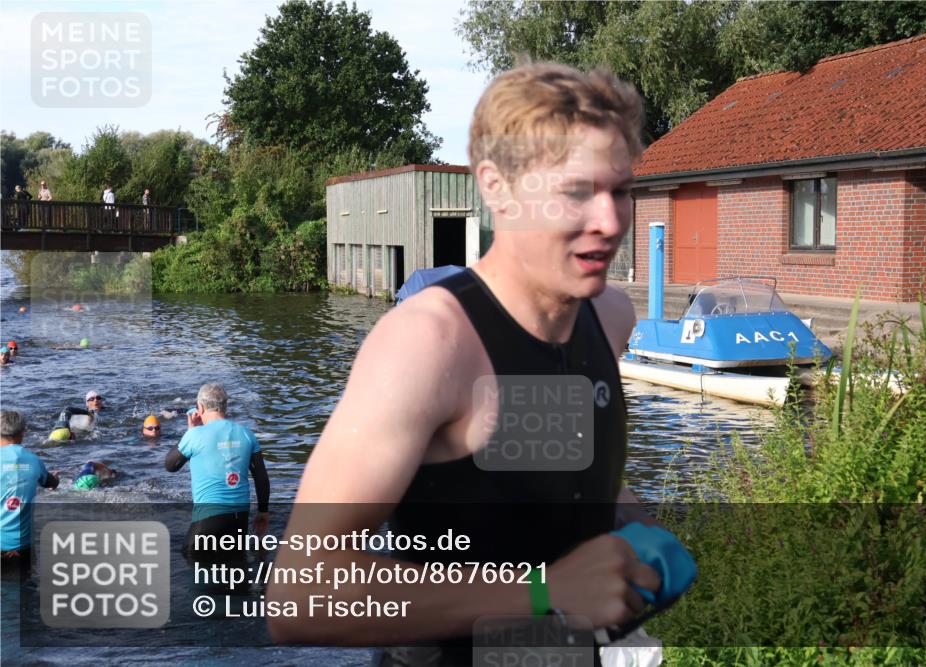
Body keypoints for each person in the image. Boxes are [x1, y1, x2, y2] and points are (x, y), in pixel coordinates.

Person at [269, 62, 669, 660]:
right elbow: (302, 598)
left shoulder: (608, 315)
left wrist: (632, 525)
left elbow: (551, 464)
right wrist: (544, 592)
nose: (609, 222)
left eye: (619, 190)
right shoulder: (428, 344)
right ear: (496, 187)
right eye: (575, 192)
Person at [164, 383, 270, 560]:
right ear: (225, 406)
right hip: (240, 519)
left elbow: (170, 465)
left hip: (208, 520)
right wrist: (263, 512)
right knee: (235, 569)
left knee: (189, 562)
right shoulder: (247, 434)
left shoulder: (194, 435)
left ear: (200, 408)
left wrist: (190, 431)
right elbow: (261, 477)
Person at [1, 410, 59, 568]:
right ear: (23, 433)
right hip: (21, 547)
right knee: (24, 581)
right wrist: (55, 478)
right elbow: (51, 483)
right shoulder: (33, 460)